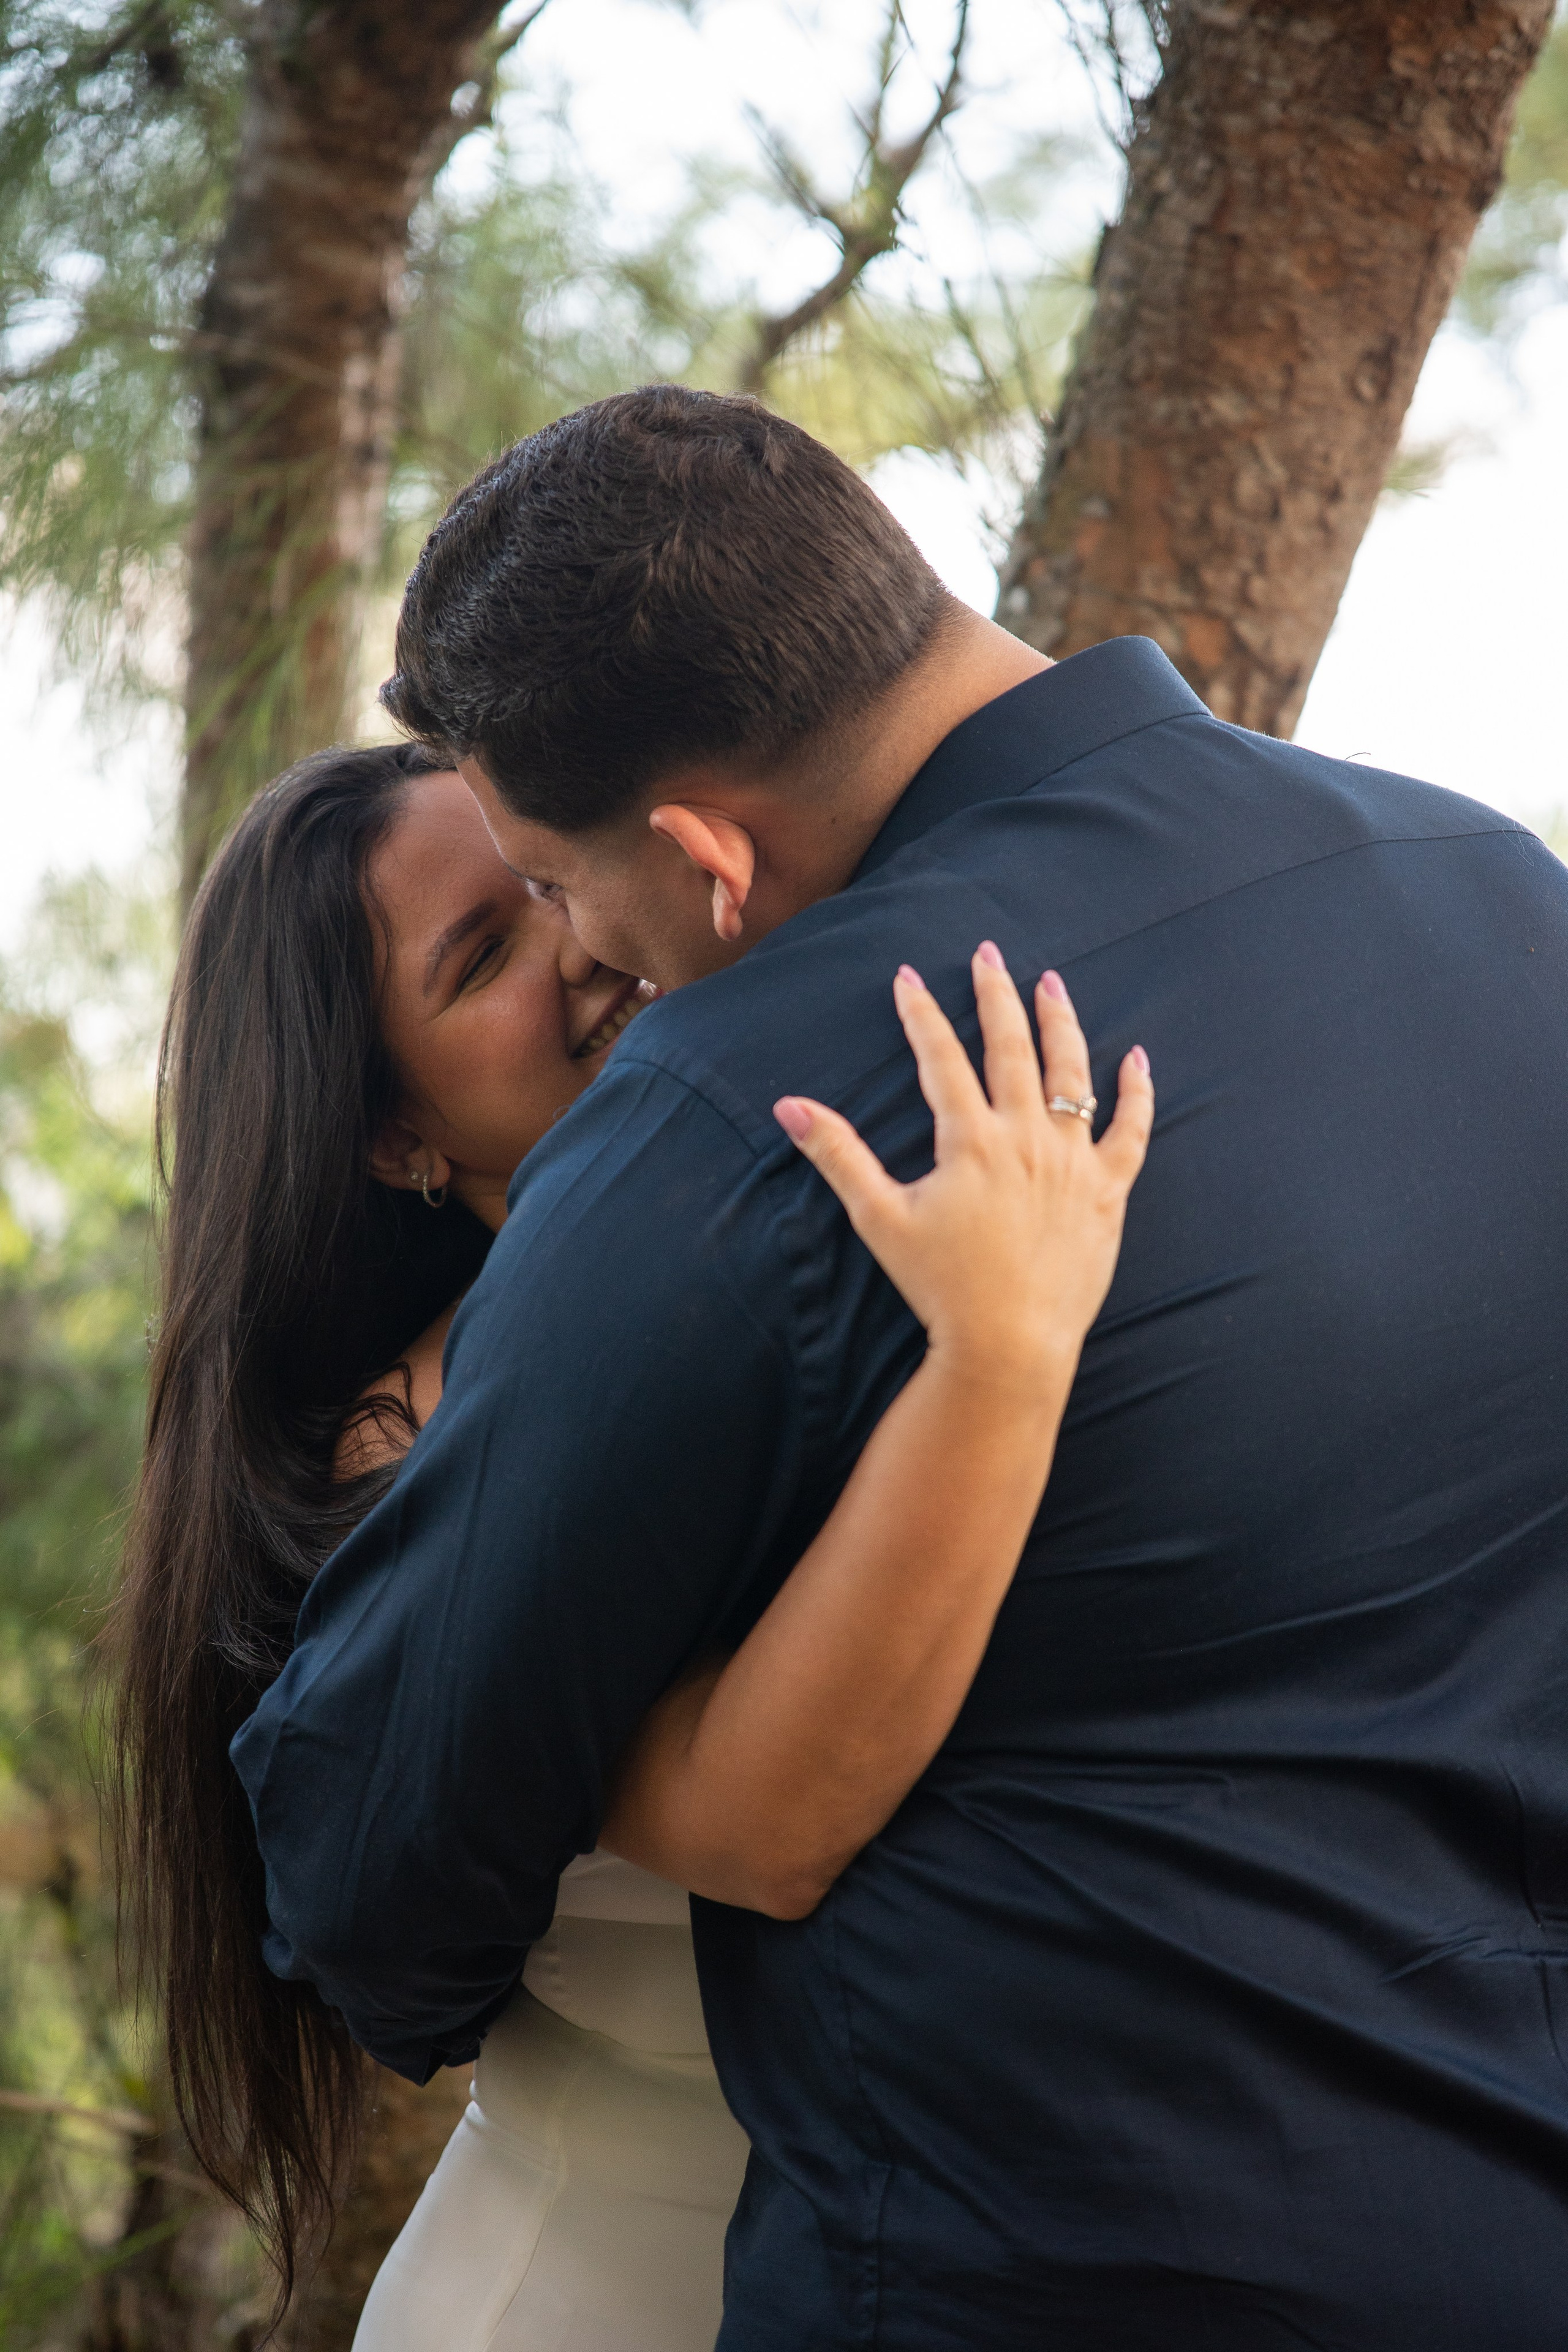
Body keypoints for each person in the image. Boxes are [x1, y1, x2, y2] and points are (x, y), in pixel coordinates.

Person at [235, 386, 1568, 2350]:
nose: (585, 944)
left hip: (1040, 2270)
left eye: (561, 879)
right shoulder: (1501, 893)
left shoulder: (745, 1112)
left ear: (698, 849)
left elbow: (370, 1878)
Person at [115, 739, 1150, 2343]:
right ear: (396, 1135)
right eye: (485, 956)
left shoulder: (796, 1246)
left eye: (550, 878)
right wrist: (1002, 1355)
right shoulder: (415, 1449)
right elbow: (767, 1821)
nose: (580, 946)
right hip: (594, 2284)